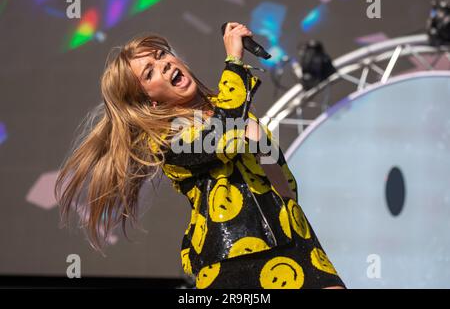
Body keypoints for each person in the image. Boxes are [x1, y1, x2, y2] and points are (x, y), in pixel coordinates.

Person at [55, 22, 346, 289]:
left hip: (295, 239)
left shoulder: (233, 108)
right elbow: (221, 137)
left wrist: (266, 155)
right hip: (234, 261)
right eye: (150, 72)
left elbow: (284, 185)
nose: (164, 65)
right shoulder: (166, 140)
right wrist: (234, 61)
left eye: (161, 55)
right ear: (150, 100)